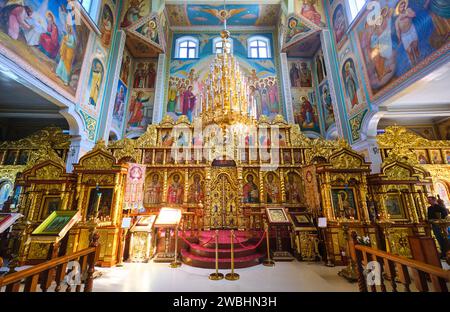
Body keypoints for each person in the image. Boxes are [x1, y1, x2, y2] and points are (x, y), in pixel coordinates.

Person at [395, 0, 420, 66]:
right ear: (398, 9)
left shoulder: (408, 10)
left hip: (412, 31)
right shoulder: (397, 20)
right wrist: (399, 39)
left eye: (404, 6)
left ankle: (420, 61)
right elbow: (398, 31)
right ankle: (414, 65)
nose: (403, 8)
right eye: (401, 7)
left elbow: (414, 15)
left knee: (415, 48)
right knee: (409, 52)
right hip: (405, 36)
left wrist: (406, 15)